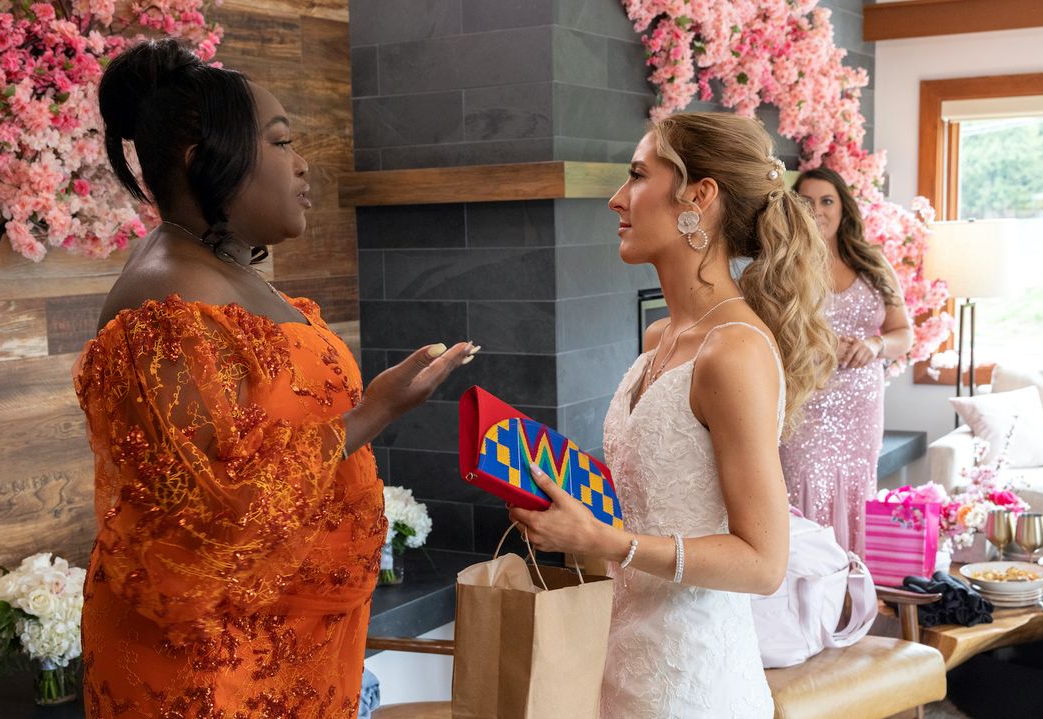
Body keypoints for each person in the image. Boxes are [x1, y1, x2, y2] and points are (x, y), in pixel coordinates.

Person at [73, 39, 475, 718]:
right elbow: (212, 514)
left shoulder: (216, 269)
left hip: (285, 642)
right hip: (212, 669)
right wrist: (373, 411)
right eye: (282, 141)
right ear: (203, 160)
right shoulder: (166, 301)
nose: (303, 164)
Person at [509, 113, 836, 718]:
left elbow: (764, 563)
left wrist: (608, 541)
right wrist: (553, 488)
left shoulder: (733, 350)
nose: (616, 200)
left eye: (636, 176)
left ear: (699, 197)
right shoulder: (660, 335)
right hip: (622, 659)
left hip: (694, 683)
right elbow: (656, 492)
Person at [779, 167, 914, 554]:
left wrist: (875, 346)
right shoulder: (787, 265)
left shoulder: (871, 262)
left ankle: (849, 600)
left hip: (860, 410)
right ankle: (805, 601)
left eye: (827, 201)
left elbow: (904, 333)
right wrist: (815, 347)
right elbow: (771, 337)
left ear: (842, 208)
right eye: (807, 201)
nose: (818, 210)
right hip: (806, 403)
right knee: (804, 488)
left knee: (855, 492)